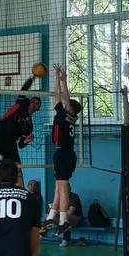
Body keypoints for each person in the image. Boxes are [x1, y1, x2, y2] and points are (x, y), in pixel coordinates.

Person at [42, 64, 81, 237]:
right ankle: (51, 218)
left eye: (68, 105)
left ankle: (64, 221)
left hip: (63, 153)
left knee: (63, 187)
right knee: (58, 186)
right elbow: (67, 98)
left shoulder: (62, 115)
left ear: (69, 109)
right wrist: (64, 80)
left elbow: (57, 96)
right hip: (67, 153)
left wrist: (57, 79)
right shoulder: (71, 117)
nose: (65, 104)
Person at [0, 76, 41, 179]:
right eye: (33, 101)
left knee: (17, 170)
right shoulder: (20, 105)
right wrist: (32, 78)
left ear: (38, 109)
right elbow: (24, 90)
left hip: (10, 144)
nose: (35, 103)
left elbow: (21, 144)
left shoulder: (29, 127)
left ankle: (20, 189)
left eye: (37, 103)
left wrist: (26, 141)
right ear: (29, 102)